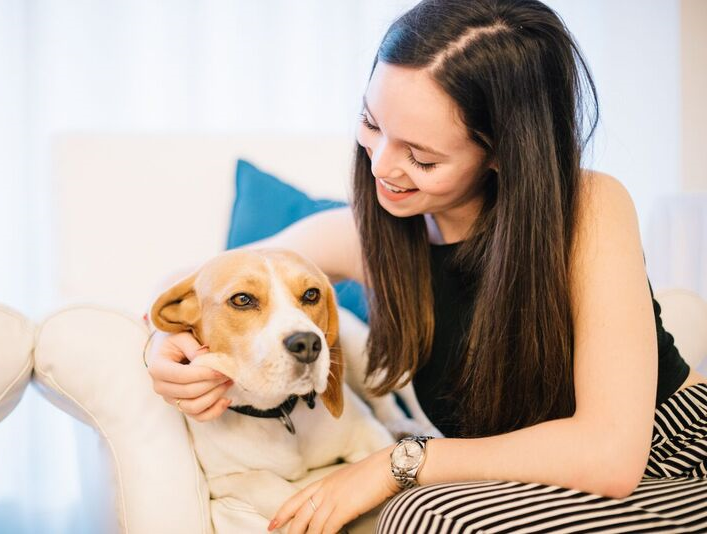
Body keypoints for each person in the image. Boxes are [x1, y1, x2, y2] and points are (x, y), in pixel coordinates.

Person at [145, 0, 707, 532]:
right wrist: (164, 347)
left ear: (502, 152)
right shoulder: (367, 237)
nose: (382, 165)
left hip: (676, 458)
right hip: (533, 482)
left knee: (423, 516)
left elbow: (609, 456)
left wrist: (397, 461)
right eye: (371, 123)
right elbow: (202, 282)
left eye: (422, 156)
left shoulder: (588, 208)